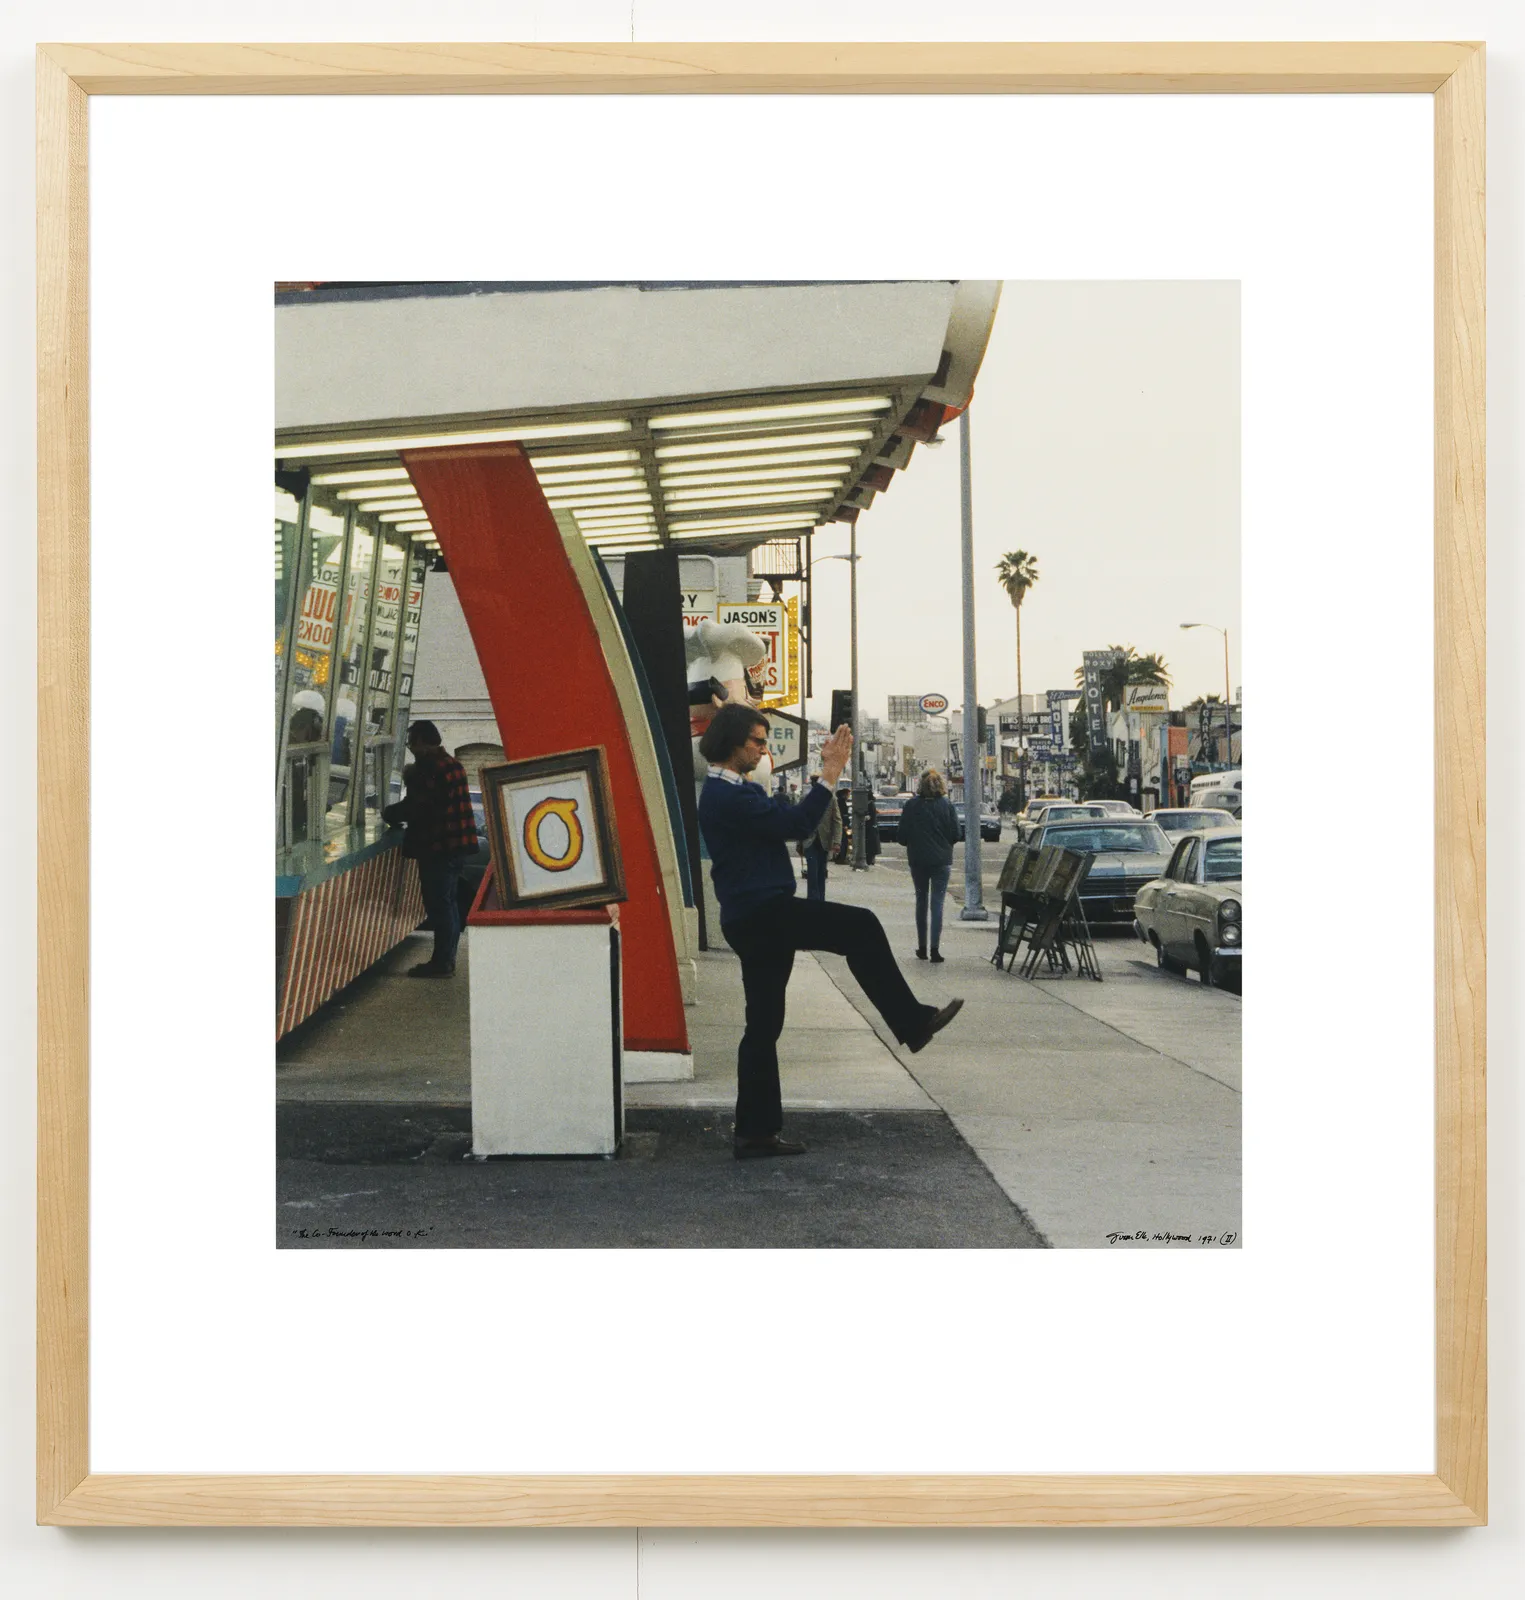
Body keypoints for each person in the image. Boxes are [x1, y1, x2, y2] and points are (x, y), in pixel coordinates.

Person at [698, 704, 963, 1159]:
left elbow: (779, 816)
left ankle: (755, 1132)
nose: (764, 749)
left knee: (763, 1024)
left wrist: (781, 788)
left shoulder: (732, 791)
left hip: (751, 914)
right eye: (757, 742)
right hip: (764, 913)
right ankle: (910, 1022)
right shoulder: (729, 796)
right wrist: (830, 773)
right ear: (732, 743)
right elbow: (798, 824)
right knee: (860, 926)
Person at [381, 720, 478, 978]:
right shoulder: (454, 765)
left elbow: (417, 807)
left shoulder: (428, 770)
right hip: (457, 847)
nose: (411, 748)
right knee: (449, 903)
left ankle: (442, 962)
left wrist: (389, 813)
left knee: (440, 905)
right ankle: (447, 958)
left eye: (412, 742)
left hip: (437, 846)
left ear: (423, 742)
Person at [898, 768, 962, 963]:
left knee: (921, 902)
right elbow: (957, 834)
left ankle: (922, 947)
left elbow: (901, 836)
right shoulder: (947, 806)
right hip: (942, 861)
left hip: (918, 860)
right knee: (937, 903)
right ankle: (935, 949)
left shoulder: (911, 806)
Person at [798, 774, 844, 902]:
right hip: (809, 841)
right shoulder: (805, 798)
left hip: (824, 840)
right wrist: (799, 842)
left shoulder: (831, 799)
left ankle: (820, 900)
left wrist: (837, 842)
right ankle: (813, 900)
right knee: (812, 872)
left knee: (821, 873)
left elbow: (837, 821)